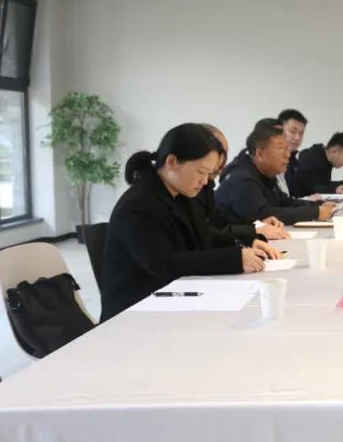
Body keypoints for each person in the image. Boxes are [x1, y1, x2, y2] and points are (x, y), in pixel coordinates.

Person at [101, 123, 273, 321]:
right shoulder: (138, 206)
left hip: (173, 299)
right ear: (172, 162)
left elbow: (203, 236)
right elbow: (166, 264)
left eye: (209, 173)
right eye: (201, 172)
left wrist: (247, 241)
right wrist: (234, 259)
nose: (205, 181)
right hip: (134, 314)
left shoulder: (180, 194)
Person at [216, 122, 338, 224]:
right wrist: (315, 212)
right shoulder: (242, 178)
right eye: (281, 149)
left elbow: (284, 202)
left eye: (287, 149)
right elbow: (263, 215)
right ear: (260, 154)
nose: (288, 155)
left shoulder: (266, 173)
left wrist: (318, 205)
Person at [199, 124, 289, 243]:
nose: (222, 162)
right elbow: (207, 233)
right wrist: (253, 231)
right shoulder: (241, 178)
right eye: (219, 154)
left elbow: (221, 223)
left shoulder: (206, 186)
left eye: (224, 155)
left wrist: (255, 226)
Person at [290, 132, 343, 196]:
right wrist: (341, 186)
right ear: (334, 151)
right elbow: (314, 189)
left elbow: (324, 184)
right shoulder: (311, 157)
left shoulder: (325, 159)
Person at [277, 109, 308, 196]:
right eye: (293, 132)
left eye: (301, 133)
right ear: (279, 130)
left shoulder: (294, 161)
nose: (297, 137)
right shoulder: (271, 160)